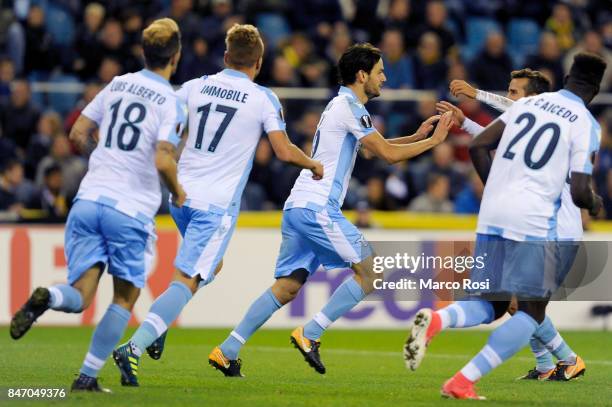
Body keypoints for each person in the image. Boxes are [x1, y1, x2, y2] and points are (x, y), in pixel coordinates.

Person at [209, 43, 454, 377]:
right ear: (362, 75)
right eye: (380, 72)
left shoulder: (342, 105)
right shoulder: (350, 107)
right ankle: (310, 333)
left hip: (298, 205)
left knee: (287, 286)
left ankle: (227, 350)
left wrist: (415, 135)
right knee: (371, 273)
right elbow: (387, 155)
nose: (384, 78)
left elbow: (370, 151)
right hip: (318, 208)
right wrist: (434, 141)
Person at [112, 24, 324, 386]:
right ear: (258, 62)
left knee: (213, 264)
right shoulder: (263, 98)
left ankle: (158, 324)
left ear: (226, 57)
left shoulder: (192, 87)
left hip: (179, 196)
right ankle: (133, 347)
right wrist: (314, 164)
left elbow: (168, 135)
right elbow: (283, 151)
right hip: (215, 206)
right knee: (189, 278)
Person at [9, 18, 187, 392]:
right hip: (130, 209)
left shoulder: (118, 83)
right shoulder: (172, 101)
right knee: (126, 296)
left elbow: (76, 132)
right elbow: (162, 160)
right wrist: (178, 192)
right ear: (176, 56)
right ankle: (86, 376)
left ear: (143, 51)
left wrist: (104, 155)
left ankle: (49, 296)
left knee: (80, 295)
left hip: (88, 200)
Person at [426, 53, 605, 399]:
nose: (508, 99)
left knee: (520, 305)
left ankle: (565, 359)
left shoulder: (539, 111)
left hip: (553, 223)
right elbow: (506, 138)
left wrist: (476, 95)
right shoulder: (576, 122)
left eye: (513, 92)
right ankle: (550, 363)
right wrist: (468, 117)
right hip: (534, 218)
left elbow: (507, 127)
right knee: (520, 305)